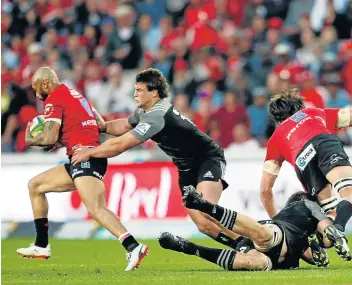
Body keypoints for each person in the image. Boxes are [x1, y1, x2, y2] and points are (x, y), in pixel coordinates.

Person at [72, 68, 239, 248]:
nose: (135, 94)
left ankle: (251, 242)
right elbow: (124, 125)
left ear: (154, 93)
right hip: (186, 168)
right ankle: (241, 245)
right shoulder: (144, 112)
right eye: (135, 90)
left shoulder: (157, 116)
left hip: (207, 158)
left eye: (140, 90)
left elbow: (120, 145)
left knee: (208, 210)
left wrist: (89, 152)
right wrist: (103, 126)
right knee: (203, 225)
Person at [16, 67, 148, 272]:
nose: (36, 95)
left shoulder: (54, 99)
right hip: (83, 155)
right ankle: (41, 245)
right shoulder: (75, 95)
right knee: (35, 186)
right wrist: (64, 140)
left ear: (45, 84)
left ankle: (134, 246)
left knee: (96, 208)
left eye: (36, 89)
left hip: (86, 156)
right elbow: (98, 123)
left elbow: (49, 138)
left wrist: (32, 139)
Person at [260, 88, 352, 261]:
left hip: (303, 161)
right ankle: (338, 228)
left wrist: (279, 223)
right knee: (348, 191)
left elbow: (265, 191)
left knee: (329, 215)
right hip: (324, 144)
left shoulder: (275, 139)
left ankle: (324, 237)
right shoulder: (312, 112)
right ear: (298, 108)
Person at [160, 189, 335, 271]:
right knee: (265, 236)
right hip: (267, 235)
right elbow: (317, 254)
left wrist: (320, 253)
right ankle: (203, 205)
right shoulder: (297, 218)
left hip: (263, 255)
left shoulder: (307, 238)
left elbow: (316, 256)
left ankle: (187, 247)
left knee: (257, 263)